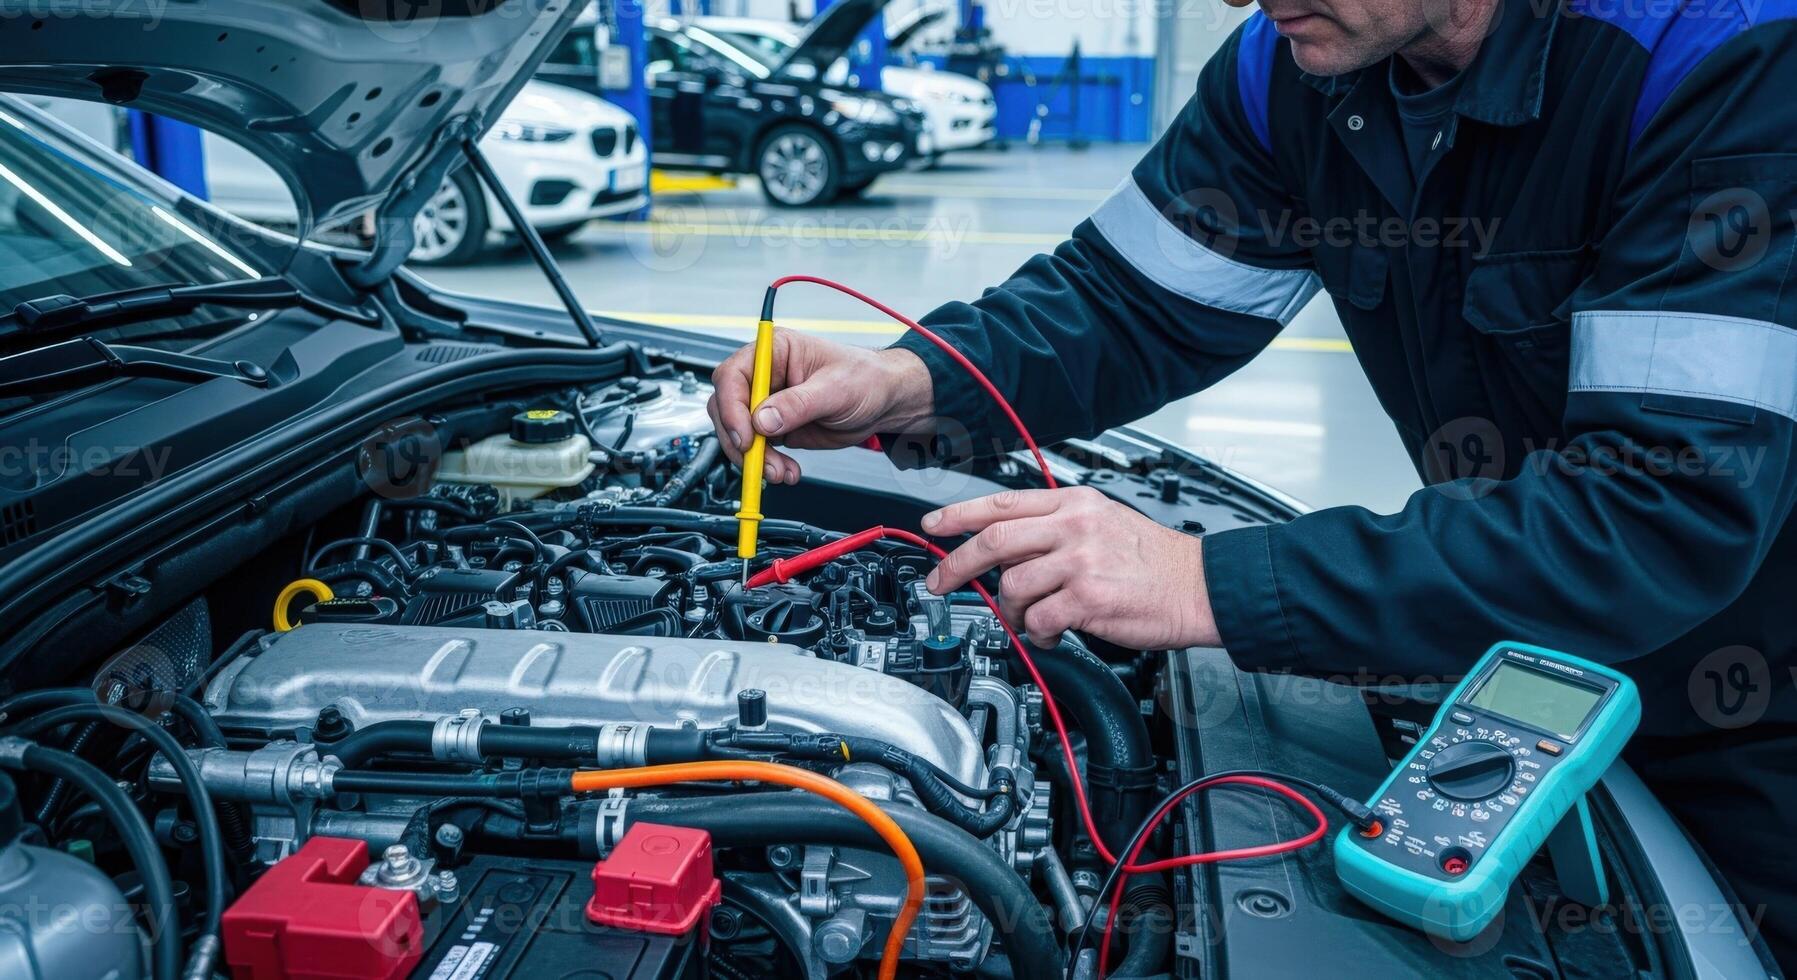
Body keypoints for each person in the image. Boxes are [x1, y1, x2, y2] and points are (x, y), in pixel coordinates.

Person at [706, 0, 1797, 968]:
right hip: (1511, 659)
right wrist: (911, 379)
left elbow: (1661, 507)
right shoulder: (1297, 65)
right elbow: (1128, 300)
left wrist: (1208, 583)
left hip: (1751, 713)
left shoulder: (1720, 57)